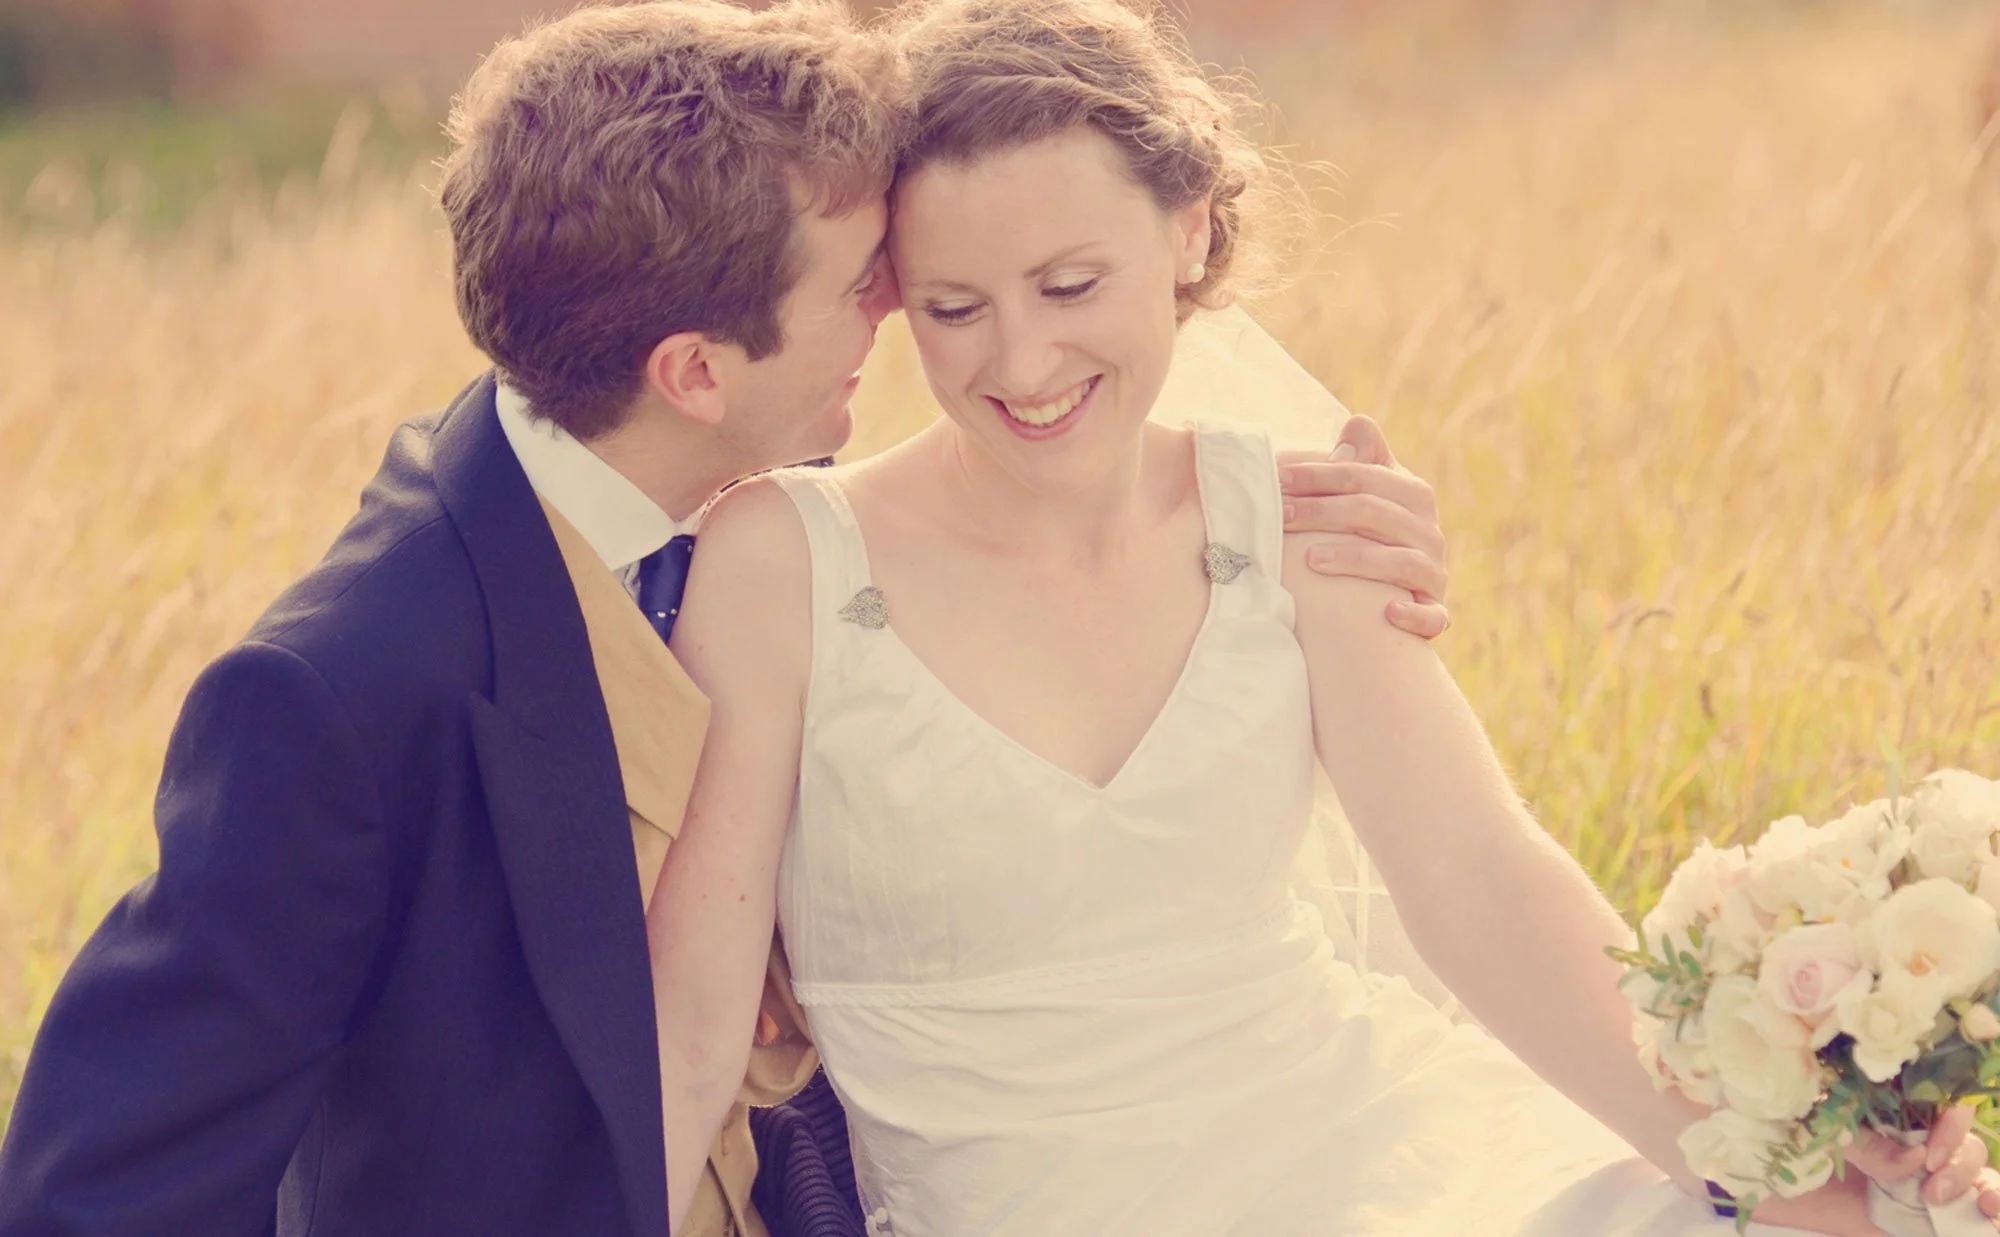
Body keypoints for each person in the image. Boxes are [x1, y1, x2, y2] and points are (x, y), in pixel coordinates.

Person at [0, 4, 1454, 1236]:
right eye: (860, 283)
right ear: (696, 369)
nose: (902, 311)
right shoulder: (341, 692)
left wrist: (1284, 521)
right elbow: (107, 1178)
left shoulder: (746, 510)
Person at [643, 1, 2000, 1234]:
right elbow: (694, 1026)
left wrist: (1752, 1172)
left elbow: (1479, 880)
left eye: (1071, 287)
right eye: (954, 308)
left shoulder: (1293, 518)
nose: (1023, 361)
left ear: (1185, 234)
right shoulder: (783, 566)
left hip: (1388, 1156)